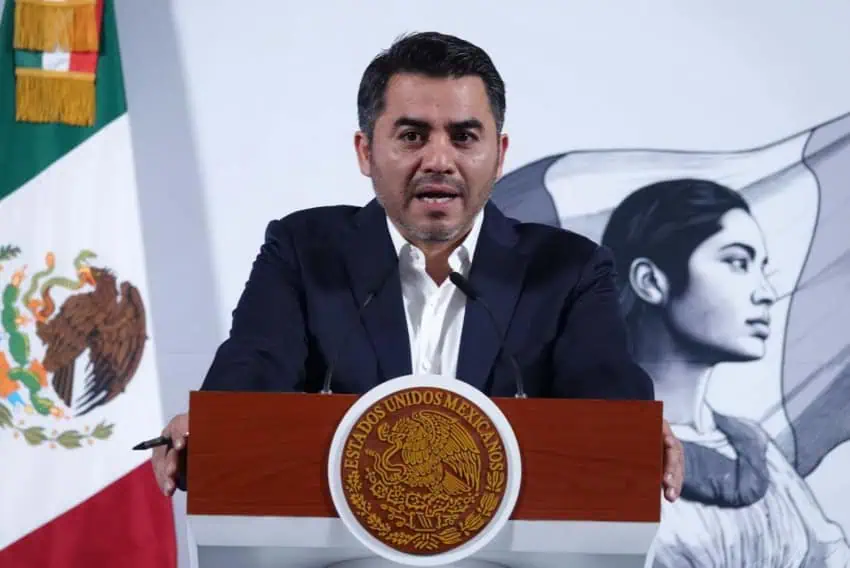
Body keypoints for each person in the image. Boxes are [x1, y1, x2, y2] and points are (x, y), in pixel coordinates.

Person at [152, 31, 684, 503]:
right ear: (366, 151)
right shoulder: (303, 251)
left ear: (498, 156)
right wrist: (212, 427)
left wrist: (632, 434)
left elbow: (606, 399)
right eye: (411, 136)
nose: (438, 160)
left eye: (463, 136)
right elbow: (253, 376)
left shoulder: (568, 268)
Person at [601, 178, 850, 567]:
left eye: (761, 267)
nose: (766, 292)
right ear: (651, 282)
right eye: (738, 262)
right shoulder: (593, 445)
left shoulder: (754, 449)